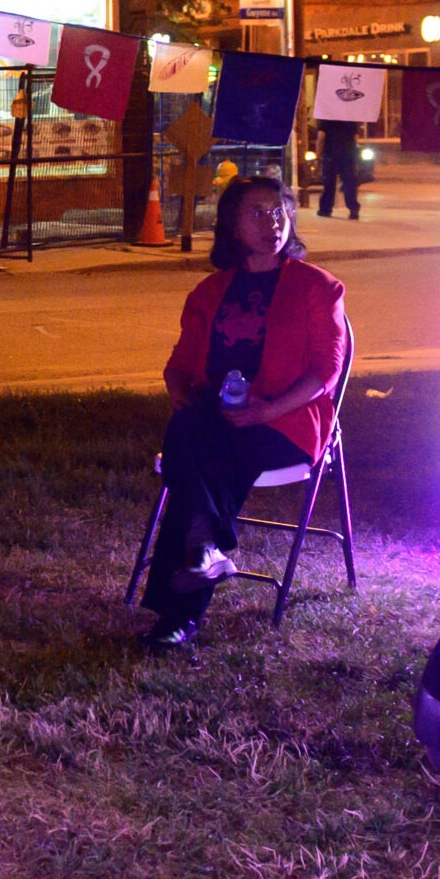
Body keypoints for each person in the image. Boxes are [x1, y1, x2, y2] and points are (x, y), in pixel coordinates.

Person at [138, 174, 348, 647]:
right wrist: (179, 393)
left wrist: (264, 410)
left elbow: (325, 372)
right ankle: (202, 554)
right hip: (218, 420)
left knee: (193, 451)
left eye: (279, 210)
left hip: (287, 421)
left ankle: (178, 613)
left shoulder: (319, 288)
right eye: (257, 212)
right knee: (194, 430)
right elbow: (178, 367)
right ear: (232, 225)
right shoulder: (209, 292)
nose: (272, 221)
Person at [314, 118, 364, 219]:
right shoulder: (350, 117)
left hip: (331, 154)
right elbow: (355, 138)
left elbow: (321, 137)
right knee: (349, 182)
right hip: (348, 155)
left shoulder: (326, 118)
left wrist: (318, 155)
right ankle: (353, 209)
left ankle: (325, 209)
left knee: (329, 183)